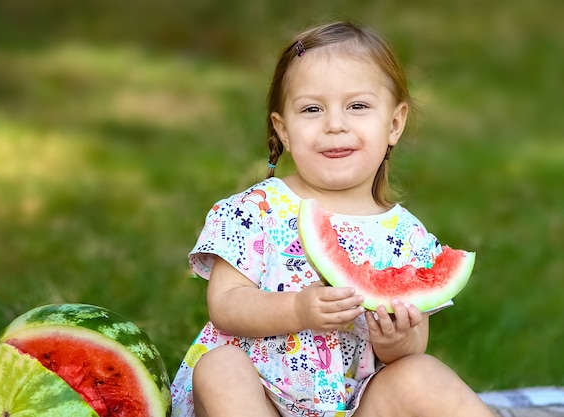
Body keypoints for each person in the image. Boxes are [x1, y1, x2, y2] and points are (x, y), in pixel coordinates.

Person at [171, 21, 494, 417]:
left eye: (357, 106)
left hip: (352, 405)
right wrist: (297, 310)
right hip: (258, 398)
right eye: (312, 109)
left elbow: (412, 347)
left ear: (394, 124)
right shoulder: (255, 208)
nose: (335, 124)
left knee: (420, 373)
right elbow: (225, 305)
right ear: (284, 130)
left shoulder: (406, 237)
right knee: (220, 367)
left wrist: (396, 339)